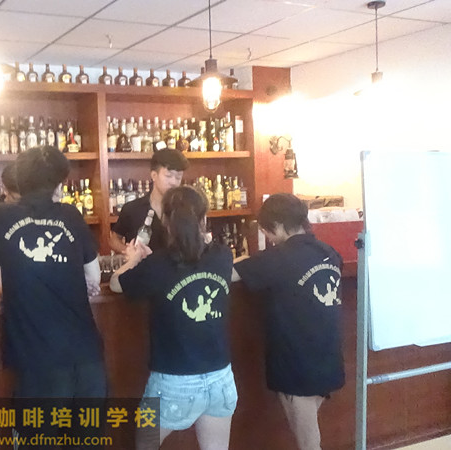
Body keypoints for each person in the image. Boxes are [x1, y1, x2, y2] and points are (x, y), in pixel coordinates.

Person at [0, 146, 105, 399]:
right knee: (89, 426)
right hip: (85, 353)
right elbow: (94, 278)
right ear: (59, 184)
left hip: (35, 356)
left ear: (19, 180)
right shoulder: (71, 215)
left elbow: (0, 280)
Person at [110, 185, 236, 450]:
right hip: (220, 377)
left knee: (144, 444)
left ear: (165, 221)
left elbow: (116, 284)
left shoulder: (158, 264)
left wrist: (133, 259)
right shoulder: (223, 255)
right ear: (204, 218)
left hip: (175, 380)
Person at [232, 193, 344, 450]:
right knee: (307, 433)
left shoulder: (278, 258)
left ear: (278, 226)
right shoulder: (329, 252)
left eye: (267, 231)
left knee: (308, 441)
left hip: (297, 362)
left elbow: (226, 273)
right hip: (327, 355)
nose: (269, 238)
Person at [110, 149, 189, 253]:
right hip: (141, 263)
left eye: (178, 177)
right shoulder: (132, 209)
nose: (173, 182)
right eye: (168, 176)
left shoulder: (185, 210)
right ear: (154, 175)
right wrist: (127, 251)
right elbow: (114, 240)